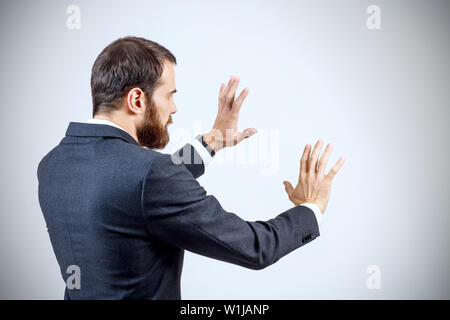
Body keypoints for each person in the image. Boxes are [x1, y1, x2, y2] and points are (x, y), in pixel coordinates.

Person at [37, 36, 345, 300]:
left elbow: (132, 189)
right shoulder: (150, 176)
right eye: (170, 95)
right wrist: (310, 208)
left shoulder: (52, 164)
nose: (174, 108)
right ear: (136, 100)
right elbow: (254, 247)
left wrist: (212, 141)